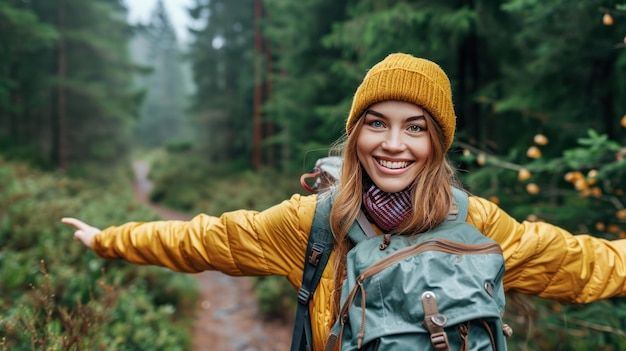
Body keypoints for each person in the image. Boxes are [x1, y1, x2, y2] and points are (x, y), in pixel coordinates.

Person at [62, 53, 626, 350]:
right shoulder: (313, 224)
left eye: (416, 128)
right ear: (355, 133)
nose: (394, 144)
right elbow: (205, 239)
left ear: (438, 142)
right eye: (377, 123)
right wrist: (109, 240)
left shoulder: (476, 223)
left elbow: (582, 264)